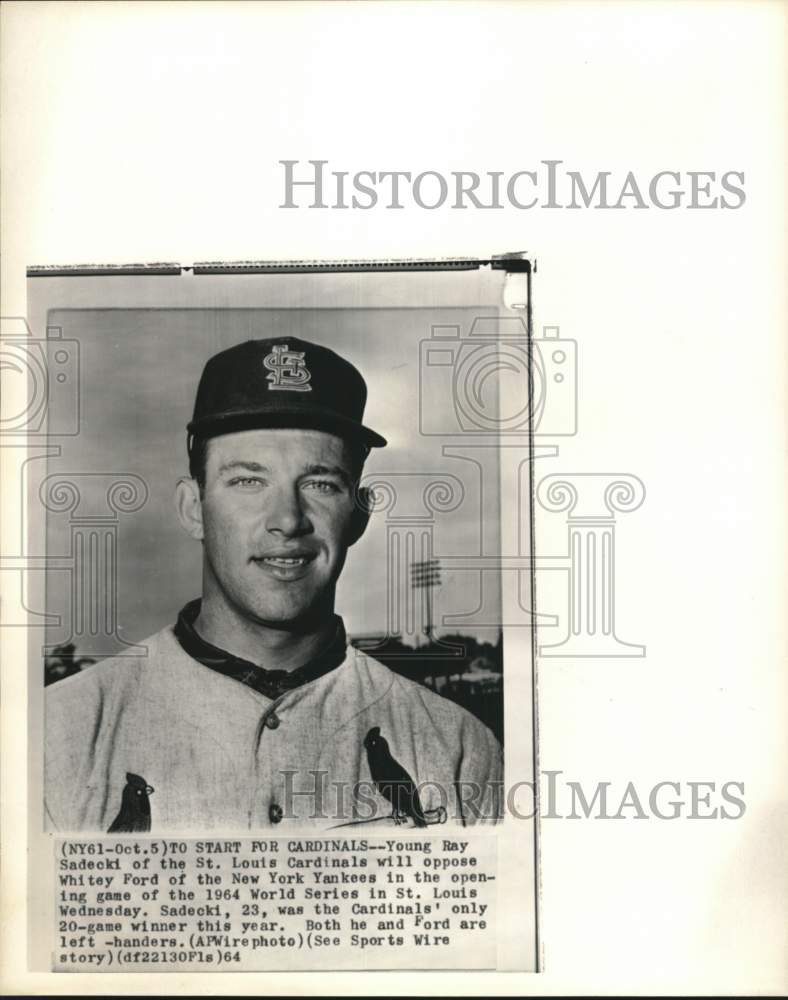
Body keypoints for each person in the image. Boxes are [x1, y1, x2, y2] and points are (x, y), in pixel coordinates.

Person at [45, 337, 502, 832]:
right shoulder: (54, 734)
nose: (287, 519)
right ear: (193, 508)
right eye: (247, 481)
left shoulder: (459, 749)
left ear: (359, 515)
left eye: (320, 484)